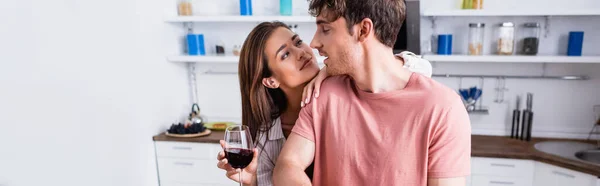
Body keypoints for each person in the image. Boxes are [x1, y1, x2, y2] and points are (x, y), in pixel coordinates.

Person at [272, 0, 471, 186]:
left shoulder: (443, 109)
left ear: (363, 30)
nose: (314, 43)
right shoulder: (324, 93)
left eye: (326, 29)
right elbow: (287, 165)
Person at [215, 21, 433, 186]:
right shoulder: (266, 137)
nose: (302, 52)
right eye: (286, 54)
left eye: (298, 42)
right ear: (270, 81)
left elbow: (423, 69)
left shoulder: (346, 83)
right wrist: (251, 181)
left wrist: (330, 70)